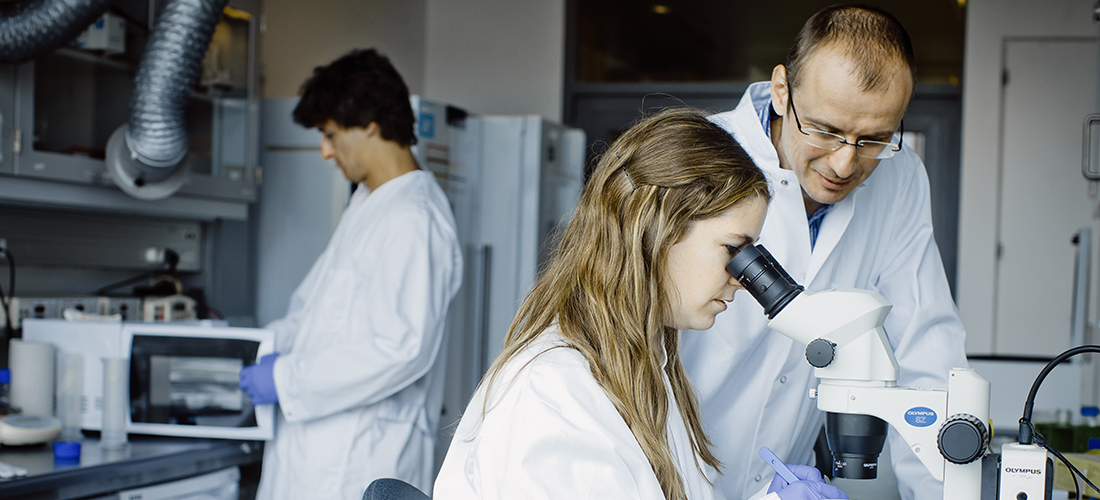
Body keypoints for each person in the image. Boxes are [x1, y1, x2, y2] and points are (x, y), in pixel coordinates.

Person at [433, 107, 848, 500]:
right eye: (732, 249)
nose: (742, 278)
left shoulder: (647, 368)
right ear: (660, 231)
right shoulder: (552, 392)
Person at [681, 5, 968, 500]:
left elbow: (926, 349)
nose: (844, 162)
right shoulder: (694, 158)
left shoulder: (900, 180)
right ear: (781, 90)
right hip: (667, 472)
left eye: (874, 138)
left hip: (780, 482)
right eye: (825, 130)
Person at [237, 48, 463, 499]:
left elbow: (400, 349)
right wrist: (264, 347)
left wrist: (287, 379)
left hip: (358, 457)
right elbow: (318, 310)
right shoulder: (369, 203)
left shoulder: (414, 219)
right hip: (315, 452)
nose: (324, 151)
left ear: (371, 125)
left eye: (330, 134)